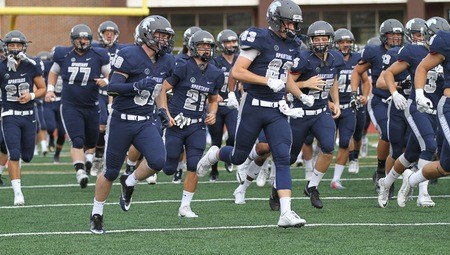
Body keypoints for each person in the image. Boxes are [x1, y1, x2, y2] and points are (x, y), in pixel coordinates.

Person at [196, 0, 309, 228]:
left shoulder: (292, 45)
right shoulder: (259, 37)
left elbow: (283, 74)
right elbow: (238, 71)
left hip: (276, 108)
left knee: (282, 156)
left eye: (295, 24)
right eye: (289, 22)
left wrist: (300, 95)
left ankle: (285, 212)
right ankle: (215, 155)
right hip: (254, 105)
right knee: (239, 156)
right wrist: (267, 81)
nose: (293, 28)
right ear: (277, 21)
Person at [90, 15, 175, 234]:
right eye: (160, 35)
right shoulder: (129, 54)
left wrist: (163, 110)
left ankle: (129, 181)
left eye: (166, 36)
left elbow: (159, 90)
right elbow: (113, 88)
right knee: (109, 172)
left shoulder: (166, 60)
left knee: (158, 161)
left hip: (146, 120)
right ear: (146, 35)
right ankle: (97, 213)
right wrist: (136, 85)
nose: (164, 40)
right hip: (121, 120)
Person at [379, 17, 450, 208]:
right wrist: (395, 93)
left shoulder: (445, 54)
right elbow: (388, 73)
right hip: (417, 107)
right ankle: (423, 194)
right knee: (429, 145)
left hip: (436, 108)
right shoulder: (413, 51)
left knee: (410, 154)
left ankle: (386, 183)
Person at [154, 30, 223, 217]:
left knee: (193, 164)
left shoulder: (216, 73)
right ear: (193, 48)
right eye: (202, 46)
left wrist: (213, 113)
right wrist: (166, 114)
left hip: (197, 125)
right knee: (169, 168)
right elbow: (162, 89)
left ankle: (185, 206)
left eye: (209, 46)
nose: (207, 50)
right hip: (176, 124)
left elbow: (214, 99)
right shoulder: (183, 66)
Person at [45, 24, 110, 188]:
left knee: (92, 139)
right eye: (79, 38)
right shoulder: (63, 54)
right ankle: (80, 171)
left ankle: (88, 160)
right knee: (77, 140)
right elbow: (53, 72)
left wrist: (106, 81)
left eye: (85, 38)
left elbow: (111, 73)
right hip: (70, 105)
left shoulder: (99, 54)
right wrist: (50, 89)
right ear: (73, 40)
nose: (82, 41)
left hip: (92, 105)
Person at [351, 19, 405, 193]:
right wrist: (354, 92)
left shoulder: (405, 51)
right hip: (381, 101)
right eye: (392, 34)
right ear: (384, 36)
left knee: (402, 141)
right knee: (387, 135)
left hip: (401, 101)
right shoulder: (374, 52)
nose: (396, 37)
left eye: (398, 34)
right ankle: (381, 170)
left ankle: (398, 173)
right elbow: (357, 71)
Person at [398, 29, 450, 206]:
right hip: (449, 105)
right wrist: (419, 94)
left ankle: (411, 180)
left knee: (445, 167)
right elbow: (422, 67)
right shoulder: (446, 40)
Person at [0, 30, 46, 205]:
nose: (15, 48)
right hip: (9, 115)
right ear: (6, 47)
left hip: (28, 115)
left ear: (24, 47)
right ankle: (17, 193)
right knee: (14, 154)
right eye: (11, 45)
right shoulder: (1, 67)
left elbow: (42, 88)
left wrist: (31, 96)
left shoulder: (31, 65)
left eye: (18, 45)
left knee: (27, 156)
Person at [330, 28, 370, 188]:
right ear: (336, 44)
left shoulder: (357, 59)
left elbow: (366, 81)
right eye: (342, 42)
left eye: (348, 42)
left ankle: (336, 178)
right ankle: (313, 170)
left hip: (351, 105)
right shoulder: (330, 58)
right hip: (331, 105)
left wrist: (364, 96)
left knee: (348, 139)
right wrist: (328, 102)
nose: (345, 45)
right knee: (324, 142)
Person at [90, 21, 128, 176]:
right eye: (106, 33)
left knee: (121, 127)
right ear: (101, 34)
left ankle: (122, 160)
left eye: (112, 33)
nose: (109, 35)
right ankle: (98, 157)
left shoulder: (123, 50)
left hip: (118, 93)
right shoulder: (94, 49)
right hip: (100, 93)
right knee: (102, 125)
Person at [208, 29, 240, 182]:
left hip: (233, 104)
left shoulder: (240, 59)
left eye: (233, 41)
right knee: (215, 140)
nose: (231, 44)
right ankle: (214, 170)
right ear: (222, 44)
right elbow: (208, 80)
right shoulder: (215, 61)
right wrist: (215, 94)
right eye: (228, 42)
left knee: (234, 135)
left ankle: (228, 154)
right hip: (218, 105)